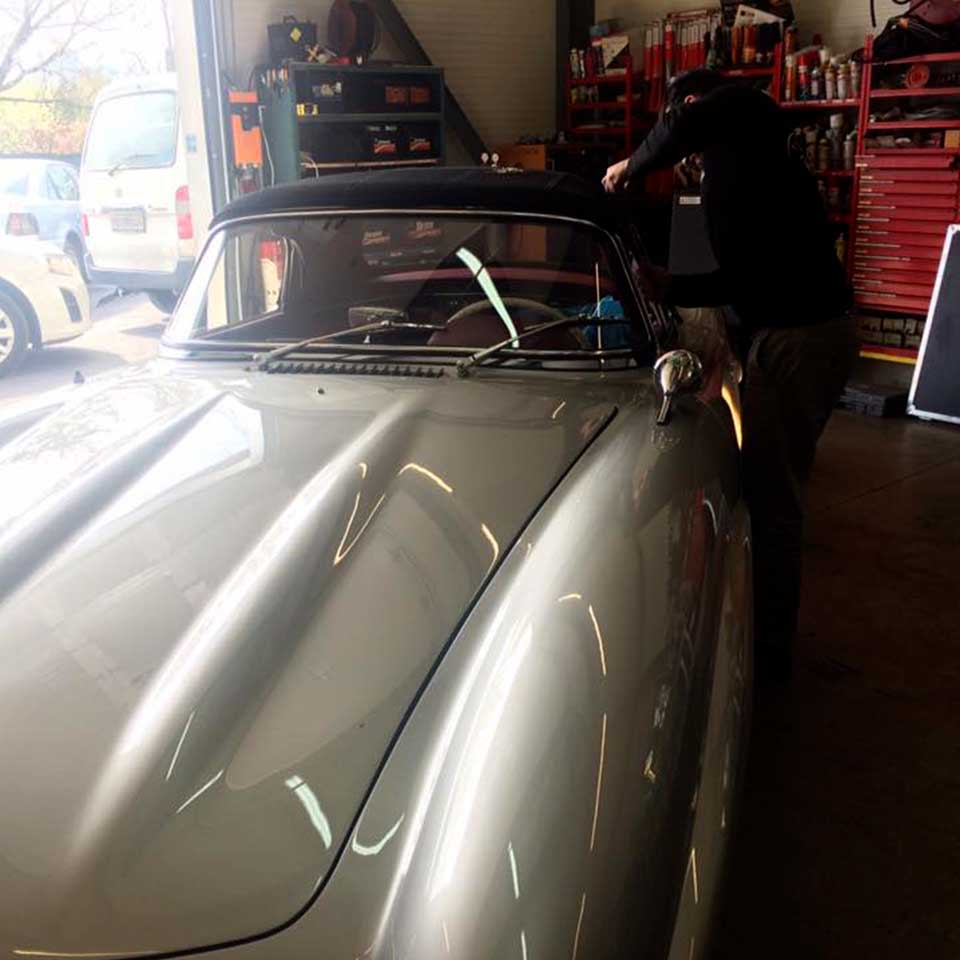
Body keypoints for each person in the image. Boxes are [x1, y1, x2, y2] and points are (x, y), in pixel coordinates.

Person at [604, 69, 858, 679]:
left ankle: (765, 655)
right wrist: (671, 285)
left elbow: (687, 121)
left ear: (696, 105)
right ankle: (758, 629)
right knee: (769, 485)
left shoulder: (744, 113)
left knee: (773, 499)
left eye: (682, 125)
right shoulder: (741, 164)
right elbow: (746, 277)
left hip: (800, 338)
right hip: (791, 330)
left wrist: (629, 167)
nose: (684, 149)